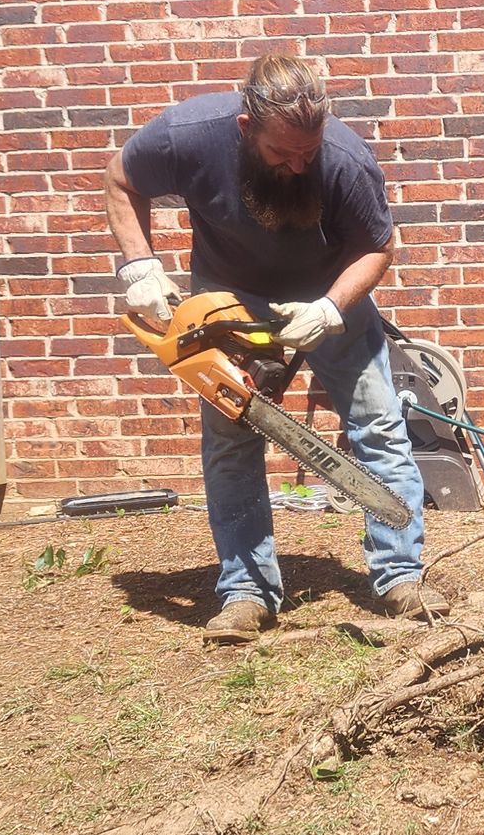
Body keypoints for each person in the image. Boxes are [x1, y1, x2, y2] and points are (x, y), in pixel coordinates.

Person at [103, 52, 446, 641]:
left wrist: (331, 309)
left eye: (306, 152)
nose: (296, 164)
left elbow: (378, 248)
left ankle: (400, 578)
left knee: (378, 426)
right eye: (281, 152)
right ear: (245, 128)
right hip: (228, 296)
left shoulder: (343, 161)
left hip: (328, 293)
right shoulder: (188, 135)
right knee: (232, 439)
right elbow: (121, 177)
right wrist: (139, 264)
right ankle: (245, 592)